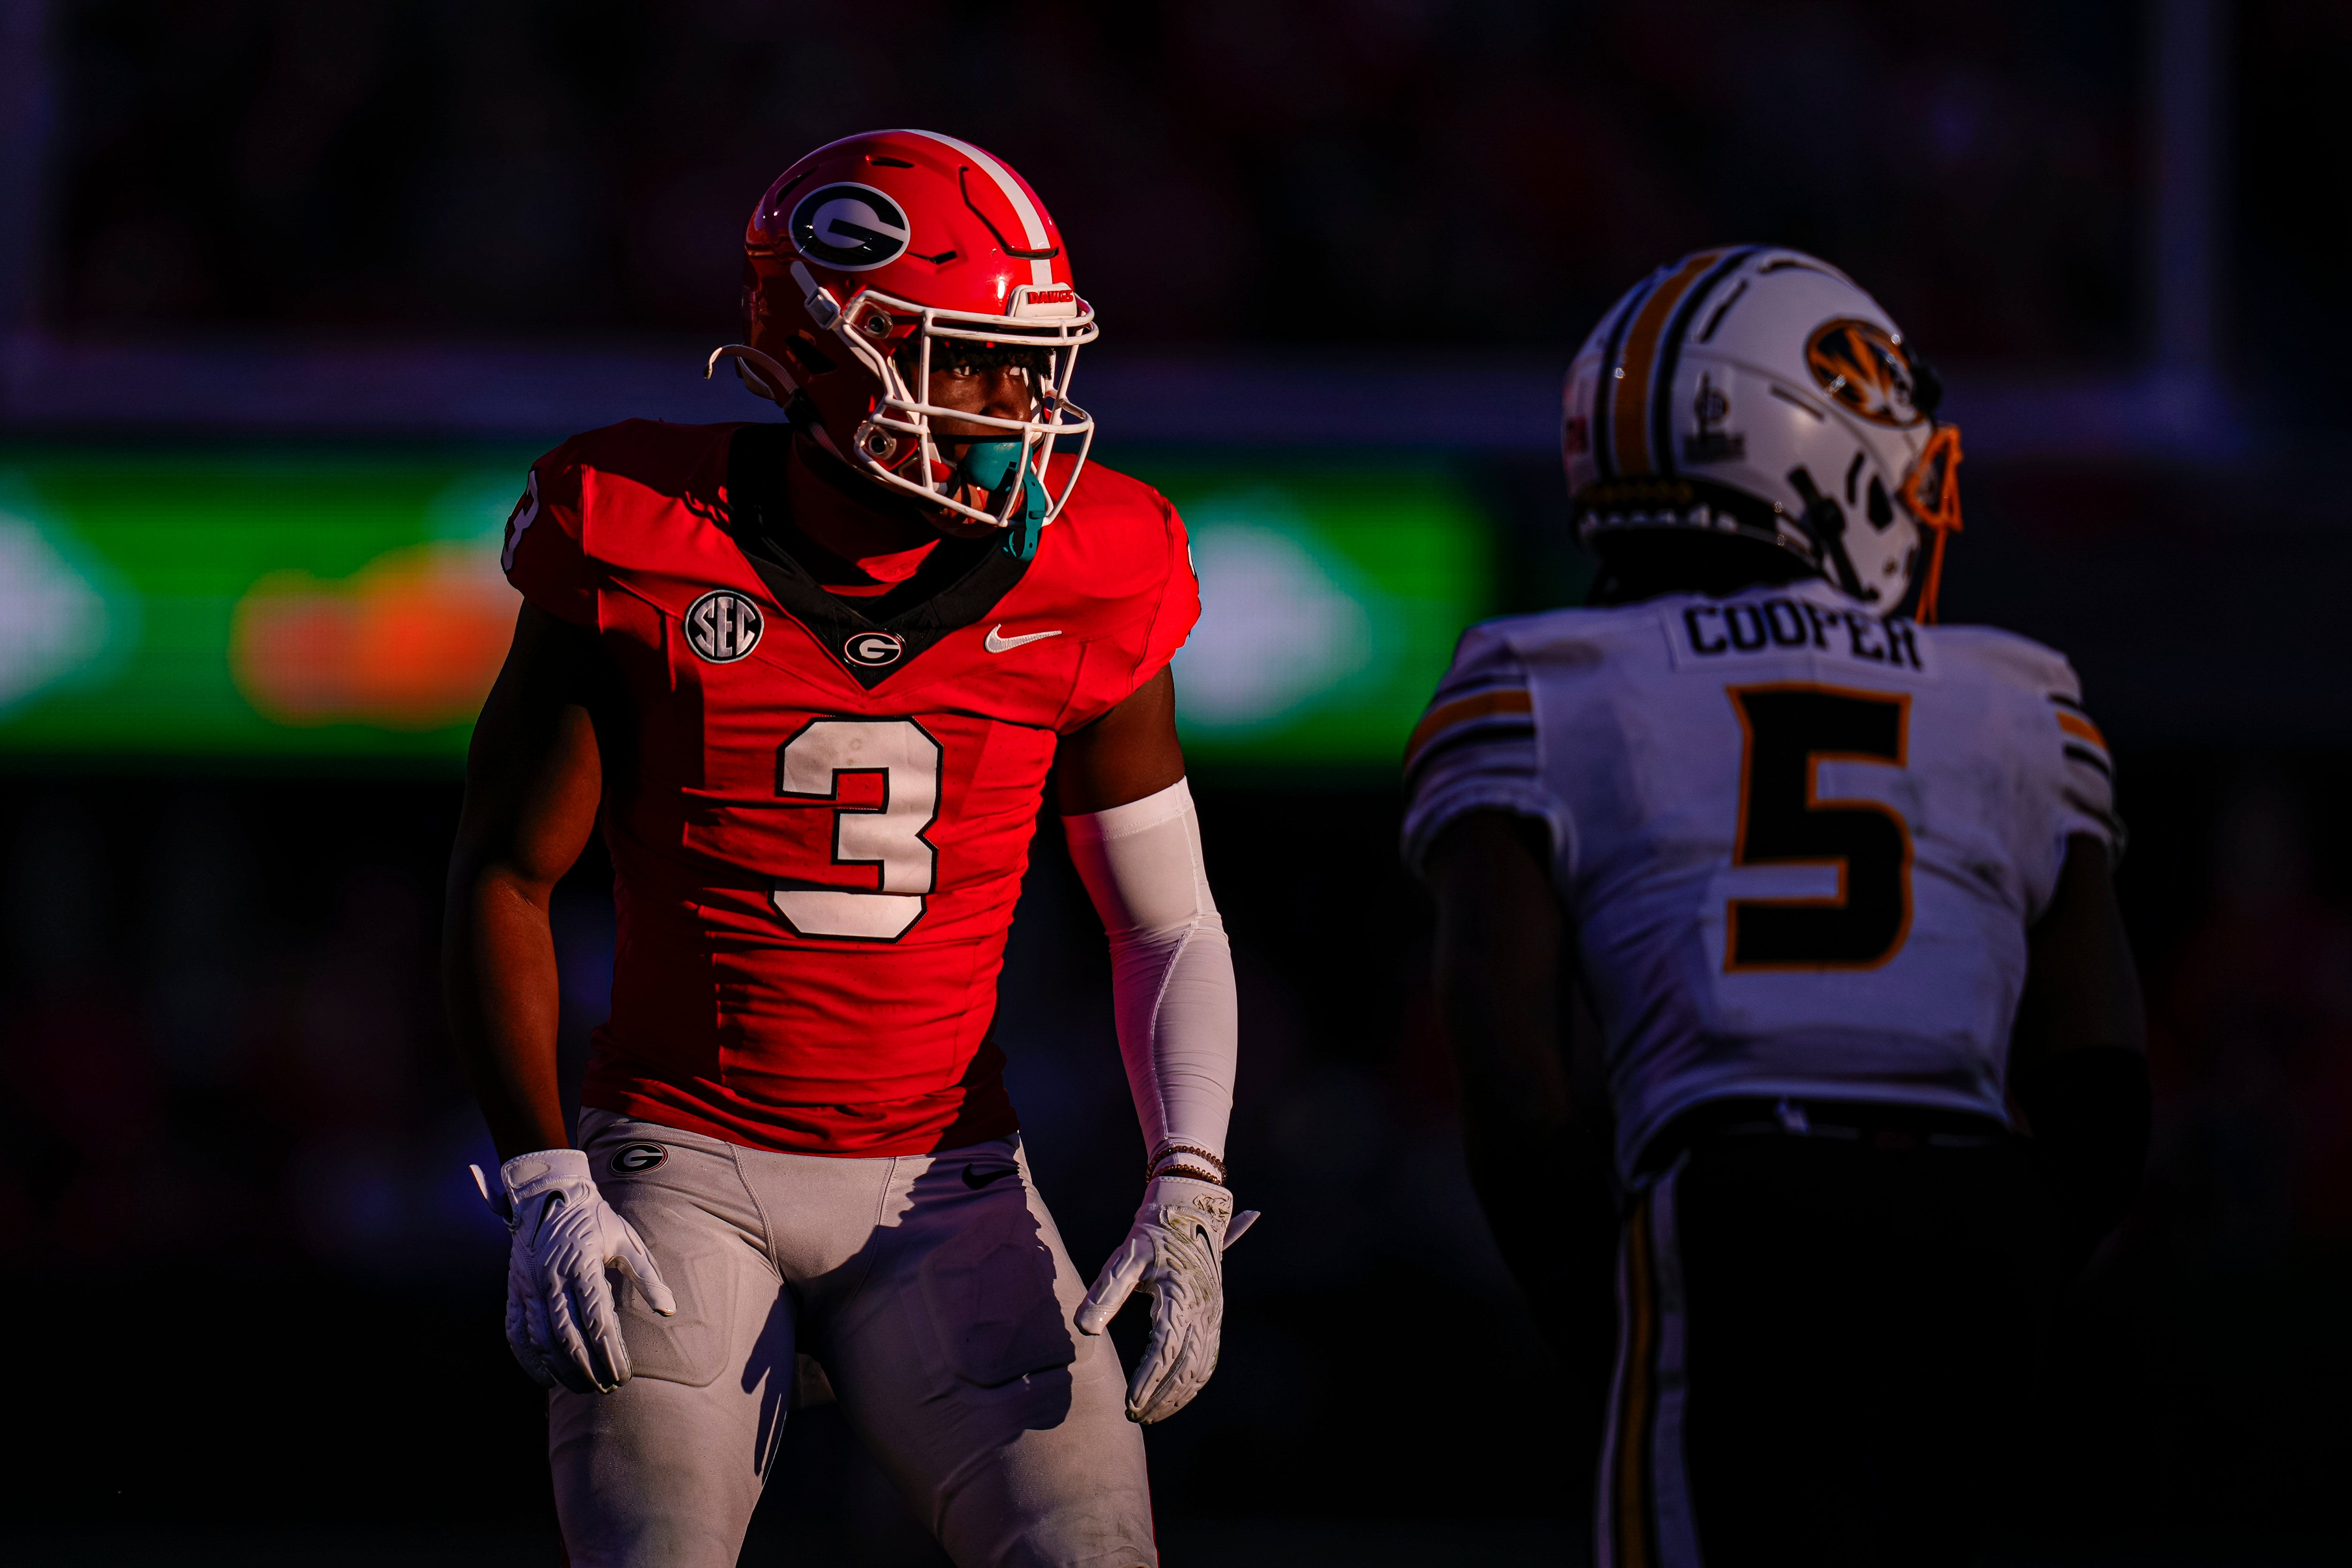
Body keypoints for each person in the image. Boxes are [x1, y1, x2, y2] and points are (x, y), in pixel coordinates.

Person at [443, 129, 1251, 1568]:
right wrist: (544, 1178)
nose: (1024, 407)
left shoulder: (1095, 564)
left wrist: (1189, 1175)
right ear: (826, 349)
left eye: (1035, 362)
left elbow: (1166, 921)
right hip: (678, 1164)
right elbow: (505, 871)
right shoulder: (639, 531)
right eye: (973, 362)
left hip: (951, 1182)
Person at [1405, 247, 2149, 1567]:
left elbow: (1507, 1057)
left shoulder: (1544, 674)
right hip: (1979, 1199)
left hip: (1739, 1188)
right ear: (1827, 455)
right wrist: (2025, 1251)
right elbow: (2100, 1072)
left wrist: (1608, 1291)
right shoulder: (2020, 691)